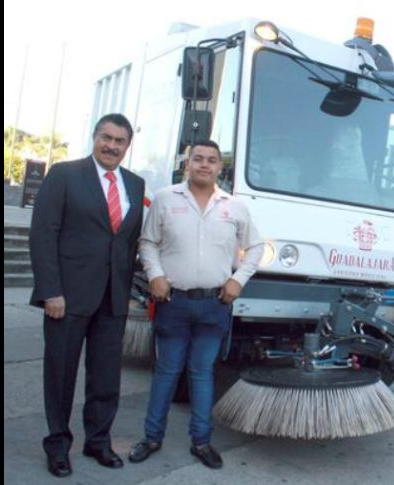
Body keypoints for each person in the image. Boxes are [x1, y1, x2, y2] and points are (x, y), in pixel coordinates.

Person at [129, 140, 264, 469]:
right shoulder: (165, 199)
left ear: (220, 167)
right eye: (198, 159)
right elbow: (147, 241)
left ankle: (201, 442)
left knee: (202, 373)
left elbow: (257, 247)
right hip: (173, 302)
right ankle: (151, 437)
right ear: (187, 164)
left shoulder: (234, 207)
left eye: (212, 160)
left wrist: (237, 280)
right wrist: (155, 274)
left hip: (213, 305)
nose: (204, 165)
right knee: (166, 372)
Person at [29, 113, 145, 478]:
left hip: (113, 300)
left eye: (119, 141)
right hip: (67, 297)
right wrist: (51, 291)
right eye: (106, 137)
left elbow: (127, 243)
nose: (111, 146)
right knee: (60, 374)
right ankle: (58, 445)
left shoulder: (136, 185)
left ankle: (98, 441)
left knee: (106, 377)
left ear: (128, 146)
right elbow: (43, 234)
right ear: (94, 137)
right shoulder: (64, 175)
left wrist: (128, 291)